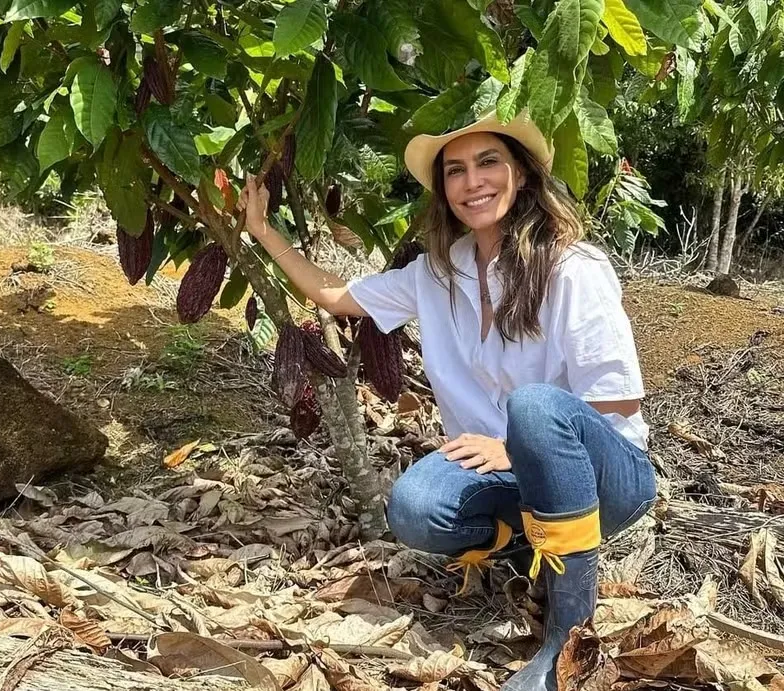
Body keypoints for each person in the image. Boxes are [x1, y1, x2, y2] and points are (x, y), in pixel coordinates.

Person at [238, 109, 657, 691]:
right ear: (444, 190)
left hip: (607, 477)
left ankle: (567, 642)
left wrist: (517, 449)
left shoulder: (572, 267)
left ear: (523, 175)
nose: (473, 181)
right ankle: (524, 547)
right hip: (513, 476)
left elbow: (618, 405)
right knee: (414, 507)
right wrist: (262, 231)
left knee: (534, 408)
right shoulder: (438, 273)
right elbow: (335, 297)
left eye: (489, 162)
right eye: (455, 170)